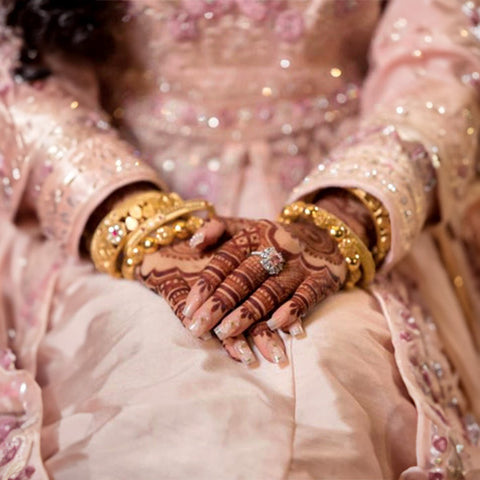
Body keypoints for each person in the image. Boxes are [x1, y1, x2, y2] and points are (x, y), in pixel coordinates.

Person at [0, 0, 479, 478]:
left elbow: (438, 69)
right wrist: (139, 223)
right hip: (110, 193)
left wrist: (344, 215)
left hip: (354, 191)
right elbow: (28, 79)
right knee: (148, 360)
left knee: (332, 359)